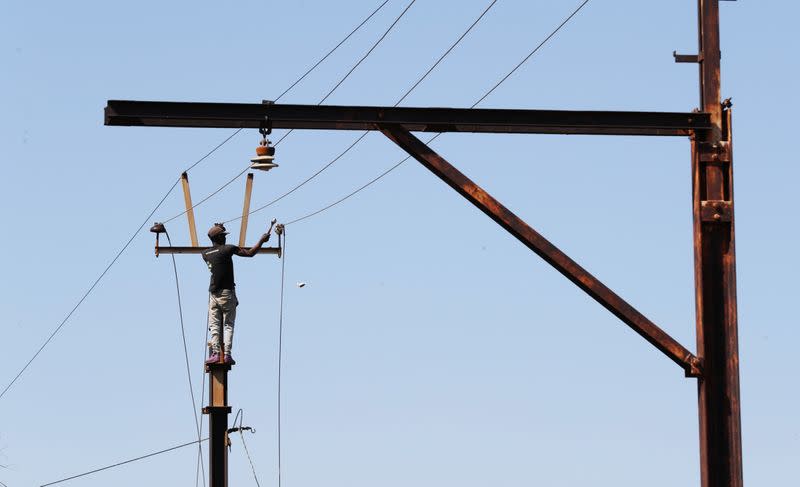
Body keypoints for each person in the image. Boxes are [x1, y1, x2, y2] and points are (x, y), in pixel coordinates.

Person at [202, 223, 270, 365]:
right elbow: (250, 253)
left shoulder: (205, 254)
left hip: (213, 294)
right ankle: (226, 354)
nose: (226, 238)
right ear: (220, 237)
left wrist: (219, 228)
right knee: (228, 325)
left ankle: (215, 353)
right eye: (224, 235)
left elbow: (217, 255)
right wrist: (262, 241)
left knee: (214, 325)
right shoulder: (228, 249)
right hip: (227, 293)